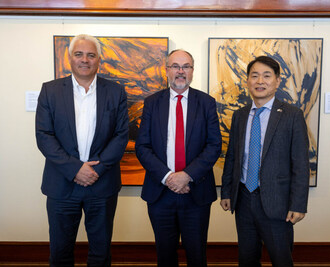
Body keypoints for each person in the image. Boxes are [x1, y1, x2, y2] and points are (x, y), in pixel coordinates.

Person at [36, 34, 129, 267]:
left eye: (91, 55)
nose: (85, 60)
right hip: (61, 185)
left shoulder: (115, 92)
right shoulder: (50, 91)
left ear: (99, 60)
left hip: (102, 183)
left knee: (100, 253)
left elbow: (121, 136)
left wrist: (96, 170)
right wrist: (76, 169)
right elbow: (44, 136)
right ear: (70, 59)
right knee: (60, 252)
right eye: (79, 54)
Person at [220, 56, 310, 267]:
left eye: (267, 76)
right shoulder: (240, 115)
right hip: (243, 198)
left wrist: (298, 204)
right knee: (247, 260)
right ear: (248, 81)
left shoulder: (292, 115)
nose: (260, 81)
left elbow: (300, 164)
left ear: (277, 81)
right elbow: (232, 156)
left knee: (281, 260)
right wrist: (226, 191)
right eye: (255, 76)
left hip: (277, 203)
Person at [135, 49, 222, 267]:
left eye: (186, 66)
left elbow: (214, 145)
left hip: (196, 193)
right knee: (165, 257)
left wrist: (187, 176)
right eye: (175, 66)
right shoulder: (152, 103)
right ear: (166, 70)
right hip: (160, 193)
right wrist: (168, 178)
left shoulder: (207, 103)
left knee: (197, 257)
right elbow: (143, 147)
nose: (181, 71)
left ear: (193, 71)